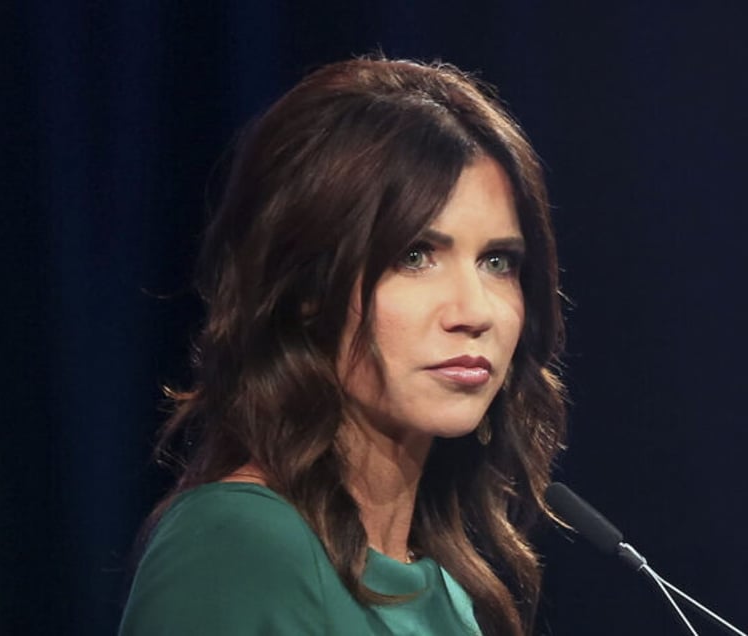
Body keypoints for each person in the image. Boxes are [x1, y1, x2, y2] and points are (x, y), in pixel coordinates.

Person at [119, 56, 566, 636]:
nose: (475, 311)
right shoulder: (239, 545)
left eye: (497, 262)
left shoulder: (451, 598)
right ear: (306, 286)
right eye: (415, 256)